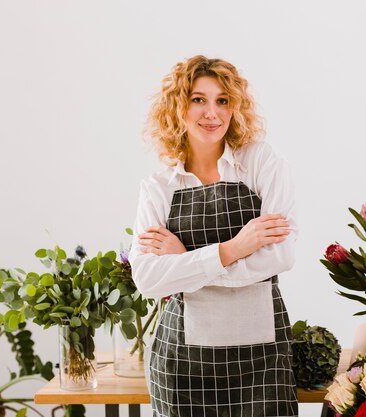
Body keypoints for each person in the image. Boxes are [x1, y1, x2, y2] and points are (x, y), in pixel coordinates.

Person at [129, 55, 299, 417]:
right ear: (178, 107)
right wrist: (236, 247)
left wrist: (185, 263)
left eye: (222, 100)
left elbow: (280, 257)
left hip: (262, 362)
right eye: (198, 99)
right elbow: (146, 280)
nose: (212, 112)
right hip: (182, 366)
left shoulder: (260, 163)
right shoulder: (158, 189)